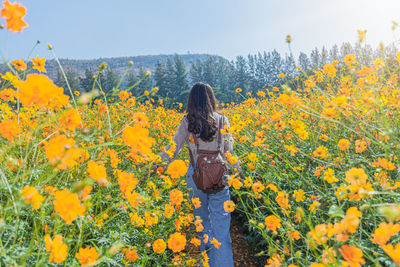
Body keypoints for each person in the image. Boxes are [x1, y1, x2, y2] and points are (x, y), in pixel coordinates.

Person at [158, 82, 242, 267]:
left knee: (202, 224)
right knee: (222, 229)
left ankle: (209, 263)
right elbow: (229, 152)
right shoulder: (222, 120)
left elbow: (173, 149)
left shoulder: (187, 121)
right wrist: (238, 173)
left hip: (195, 178)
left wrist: (157, 166)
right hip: (220, 178)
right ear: (211, 99)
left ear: (191, 101)